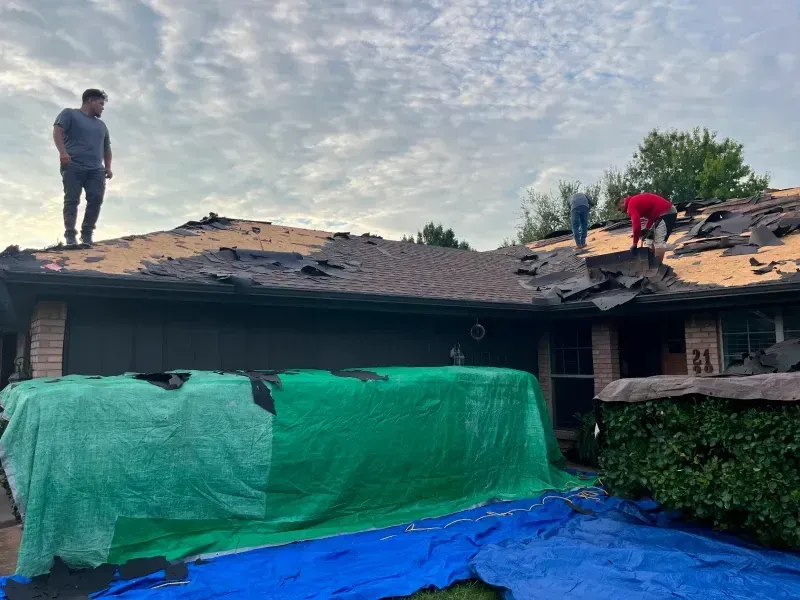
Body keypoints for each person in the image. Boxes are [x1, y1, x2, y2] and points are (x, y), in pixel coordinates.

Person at [53, 89, 113, 246]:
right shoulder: (70, 114)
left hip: (96, 170)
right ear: (90, 101)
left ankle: (87, 234)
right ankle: (70, 236)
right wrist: (62, 153)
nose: (102, 108)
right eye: (100, 103)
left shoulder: (102, 125)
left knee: (96, 199)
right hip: (73, 164)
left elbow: (106, 148)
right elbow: (57, 131)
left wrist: (108, 167)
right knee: (72, 199)